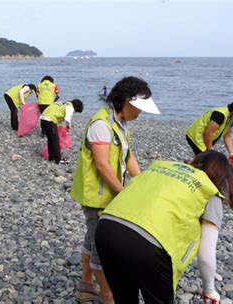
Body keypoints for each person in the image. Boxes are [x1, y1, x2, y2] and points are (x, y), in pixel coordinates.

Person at [95, 150, 233, 303]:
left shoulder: (162, 168)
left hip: (106, 226)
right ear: (224, 178)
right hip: (148, 244)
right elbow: (206, 254)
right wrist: (209, 289)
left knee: (124, 297)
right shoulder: (210, 192)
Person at [70, 76, 160, 303]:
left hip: (107, 195)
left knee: (91, 239)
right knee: (102, 246)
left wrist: (141, 183)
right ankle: (108, 295)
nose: (140, 114)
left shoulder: (120, 123)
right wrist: (124, 194)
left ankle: (85, 286)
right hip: (97, 198)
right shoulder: (101, 124)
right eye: (138, 108)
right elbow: (102, 165)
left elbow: (128, 157)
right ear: (126, 101)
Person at [185, 97, 233, 165]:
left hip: (205, 137)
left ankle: (191, 163)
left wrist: (232, 153)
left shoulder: (231, 118)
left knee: (203, 159)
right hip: (196, 136)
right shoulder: (220, 115)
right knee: (206, 161)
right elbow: (208, 133)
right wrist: (210, 151)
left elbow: (227, 136)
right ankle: (192, 166)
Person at [40, 99, 83, 164]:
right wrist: (69, 126)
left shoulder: (64, 103)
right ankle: (58, 159)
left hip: (43, 118)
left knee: (50, 139)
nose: (74, 112)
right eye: (75, 111)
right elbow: (67, 118)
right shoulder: (70, 107)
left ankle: (51, 158)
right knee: (55, 140)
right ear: (76, 107)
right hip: (50, 120)